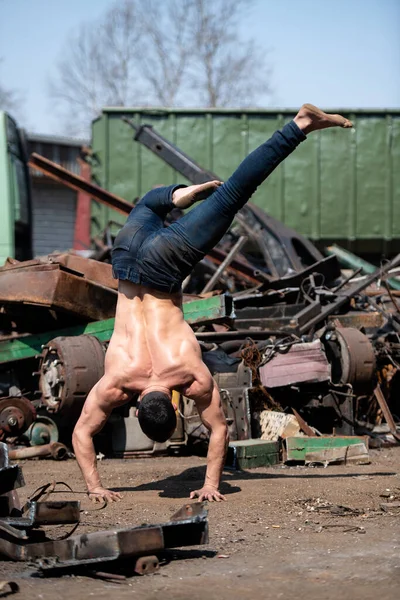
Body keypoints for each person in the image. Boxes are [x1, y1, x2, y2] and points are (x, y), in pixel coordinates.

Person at [72, 104, 353, 503]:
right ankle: (179, 196)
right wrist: (94, 486)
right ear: (135, 409)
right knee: (148, 207)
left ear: (174, 402)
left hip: (164, 263)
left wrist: (210, 484)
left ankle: (300, 125)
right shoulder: (114, 385)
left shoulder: (190, 378)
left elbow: (220, 430)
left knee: (236, 193)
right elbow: (82, 433)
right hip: (124, 258)